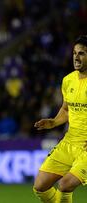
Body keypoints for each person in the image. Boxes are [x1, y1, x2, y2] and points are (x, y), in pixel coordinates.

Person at [33, 35, 87, 203]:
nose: (76, 57)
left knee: (65, 185)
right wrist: (54, 122)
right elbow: (66, 109)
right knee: (40, 186)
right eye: (74, 53)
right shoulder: (68, 80)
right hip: (69, 142)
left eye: (82, 53)